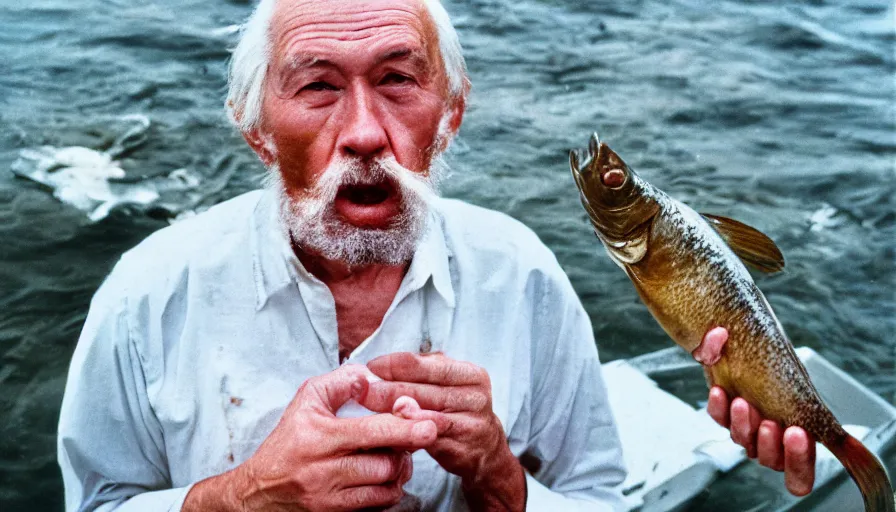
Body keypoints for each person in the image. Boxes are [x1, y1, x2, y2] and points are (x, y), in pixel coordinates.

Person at [56, 0, 816, 510]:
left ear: (450, 113)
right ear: (255, 127)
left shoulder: (521, 279)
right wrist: (238, 497)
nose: (363, 131)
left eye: (397, 80)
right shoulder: (149, 295)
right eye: (318, 86)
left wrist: (499, 477)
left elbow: (596, 495)